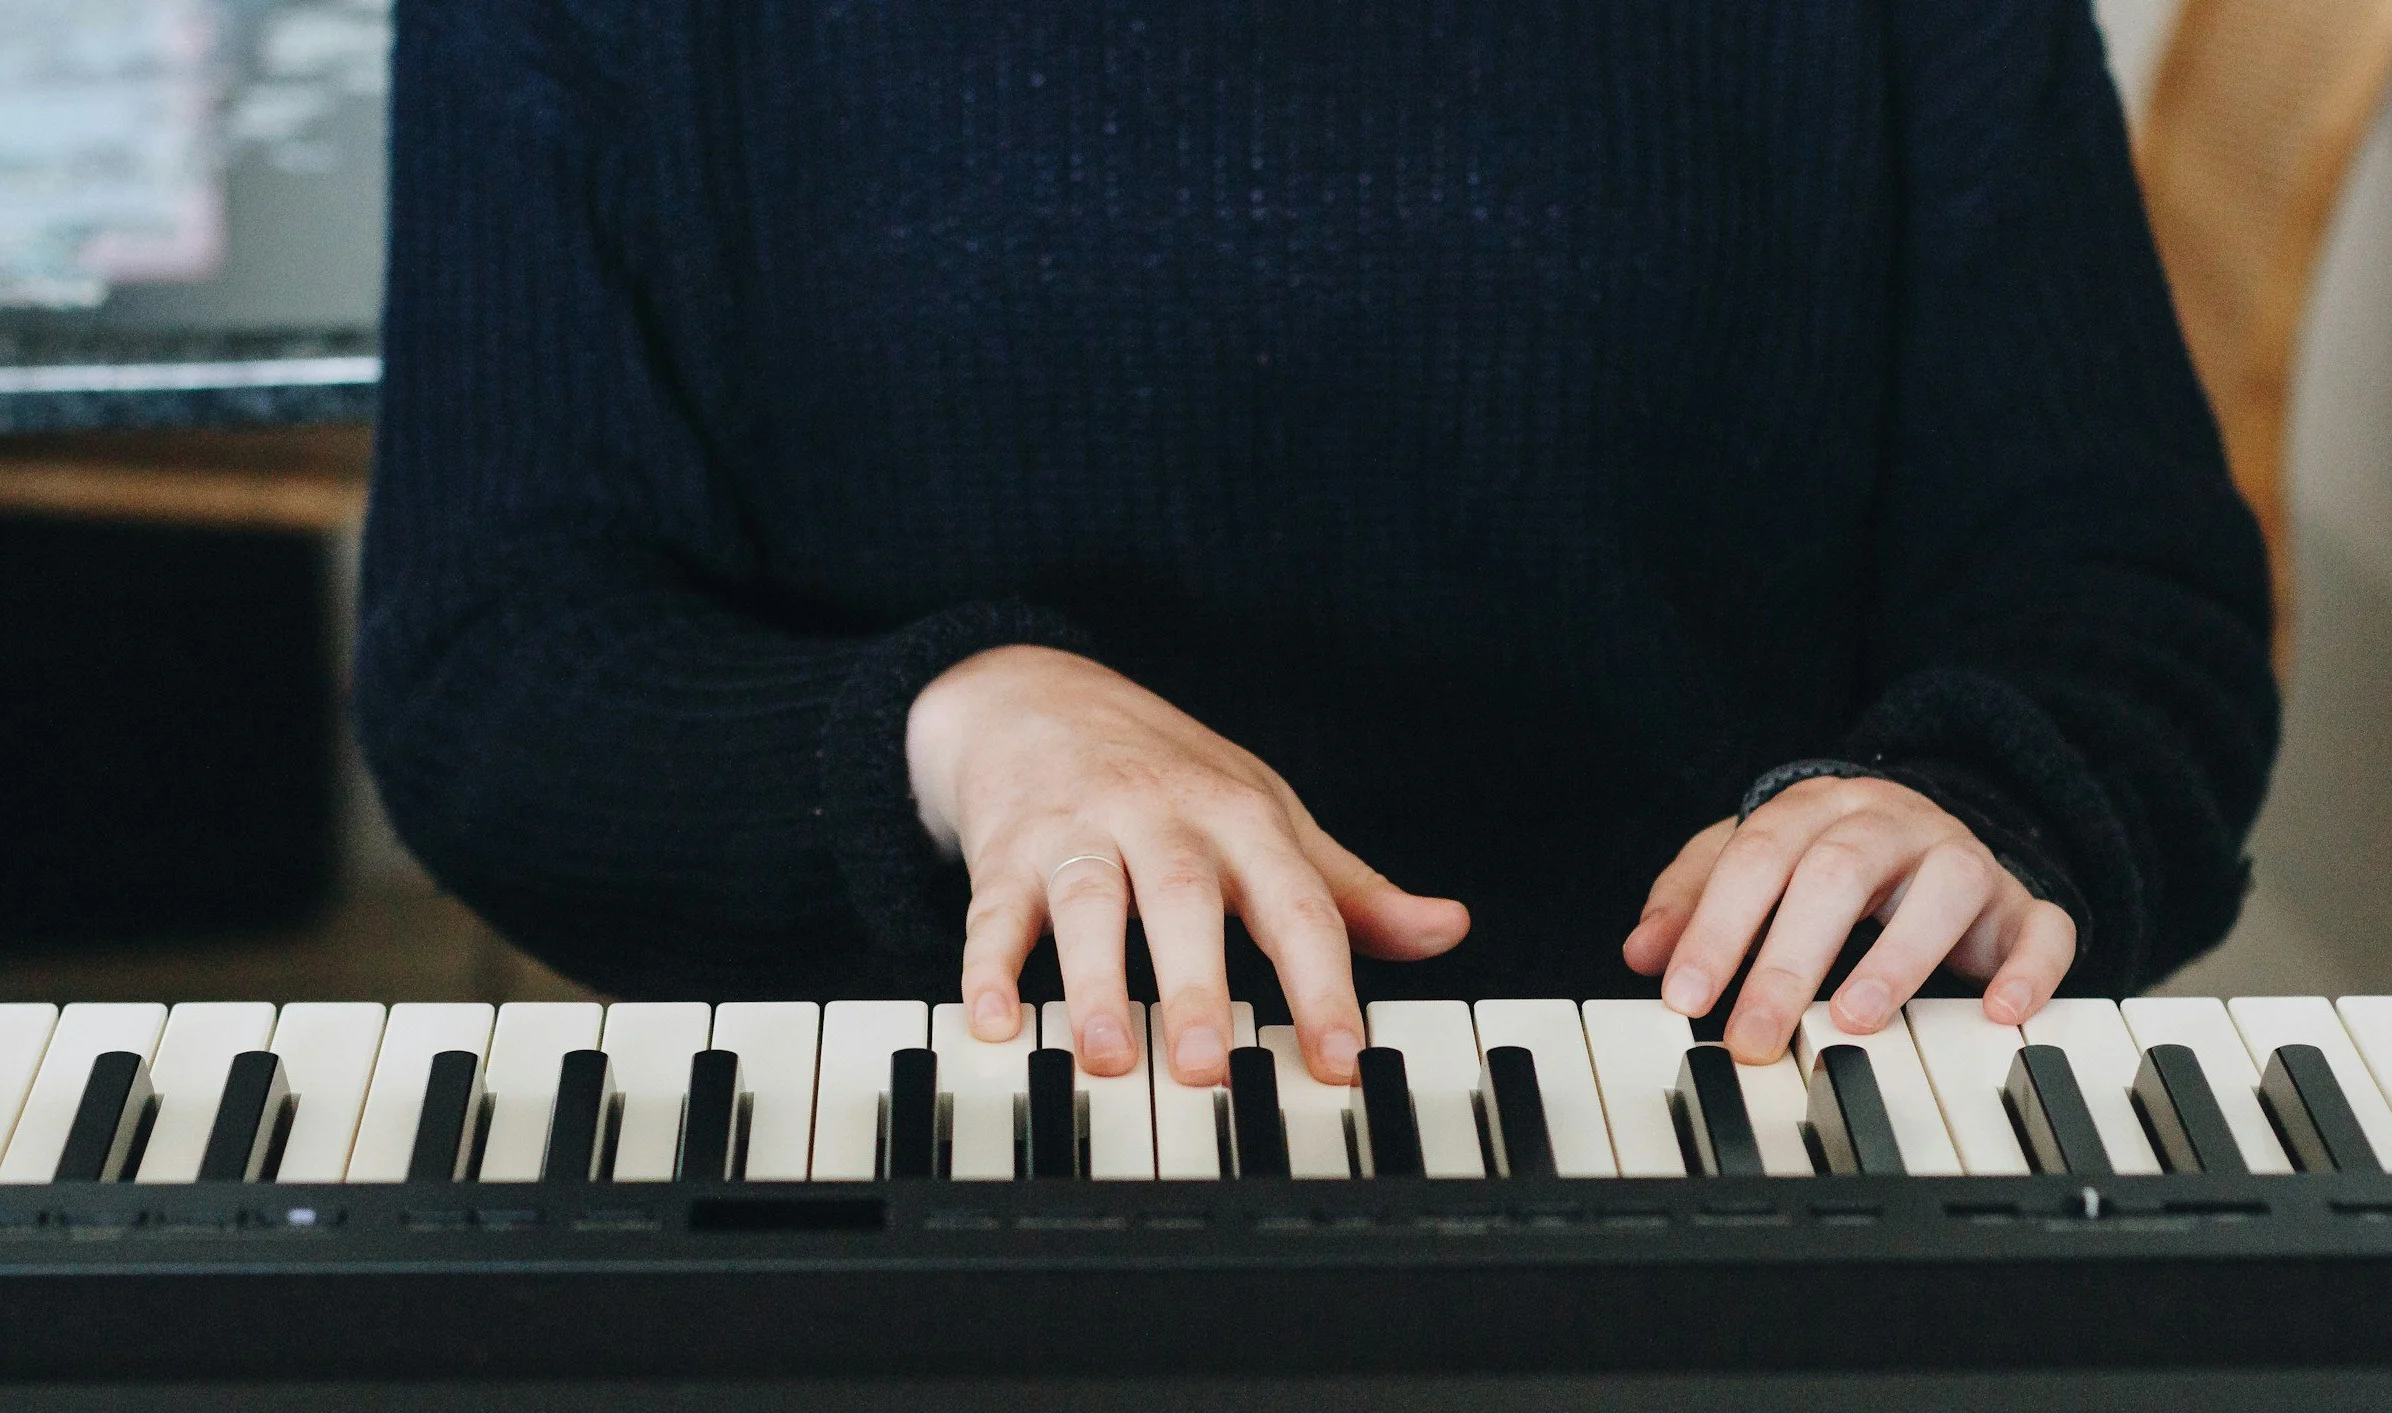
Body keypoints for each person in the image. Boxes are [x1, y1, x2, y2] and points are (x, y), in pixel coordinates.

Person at [358, 0, 2279, 1094]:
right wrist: (962, 726)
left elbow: (2120, 588)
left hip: (1724, 1138)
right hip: (922, 1160)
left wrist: (1963, 803)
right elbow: (494, 656)